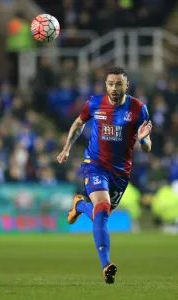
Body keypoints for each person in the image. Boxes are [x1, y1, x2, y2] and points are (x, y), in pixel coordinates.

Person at [57, 67, 152, 284]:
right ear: (106, 85)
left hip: (120, 173)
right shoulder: (94, 103)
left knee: (102, 214)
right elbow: (80, 122)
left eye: (119, 84)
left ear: (126, 85)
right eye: (110, 83)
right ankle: (106, 264)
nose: (114, 88)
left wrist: (144, 140)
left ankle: (79, 205)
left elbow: (147, 147)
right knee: (102, 210)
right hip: (95, 165)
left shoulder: (138, 109)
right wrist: (66, 148)